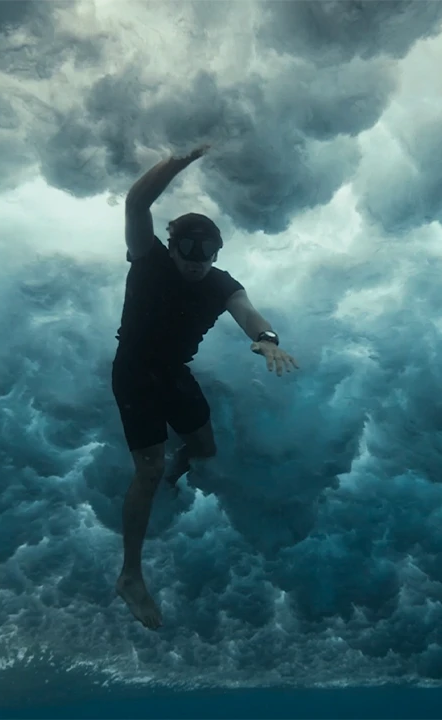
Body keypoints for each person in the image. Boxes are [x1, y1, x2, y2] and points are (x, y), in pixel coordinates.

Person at [111, 144, 300, 629]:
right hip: (133, 372)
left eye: (207, 252)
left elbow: (247, 311)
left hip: (174, 372)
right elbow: (136, 205)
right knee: (147, 468)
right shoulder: (147, 259)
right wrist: (175, 163)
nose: (197, 261)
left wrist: (266, 339)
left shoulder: (220, 283)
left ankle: (174, 478)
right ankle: (131, 575)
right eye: (189, 249)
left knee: (202, 447)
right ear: (171, 246)